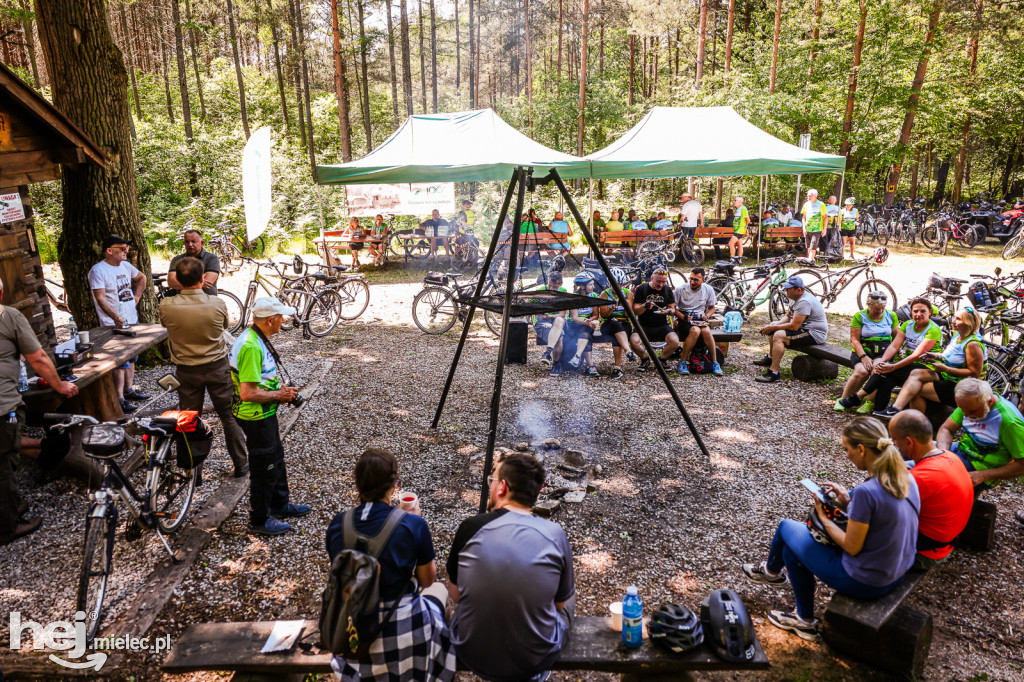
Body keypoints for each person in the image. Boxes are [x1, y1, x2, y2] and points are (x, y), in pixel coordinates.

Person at [741, 417, 919, 642]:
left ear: (862, 449)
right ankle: (803, 621)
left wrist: (824, 518)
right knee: (791, 551)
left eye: (847, 449)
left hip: (867, 581)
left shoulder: (867, 492)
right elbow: (881, 517)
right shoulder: (906, 477)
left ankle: (771, 572)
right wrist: (846, 501)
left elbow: (852, 546)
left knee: (786, 527)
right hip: (896, 572)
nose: (846, 456)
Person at [325, 448, 456, 682]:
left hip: (352, 626)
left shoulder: (337, 525)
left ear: (357, 484)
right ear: (394, 486)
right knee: (440, 590)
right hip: (404, 623)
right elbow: (426, 580)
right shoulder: (413, 524)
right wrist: (414, 520)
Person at [447, 454, 575, 682]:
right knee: (568, 597)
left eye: (492, 480)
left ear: (502, 487)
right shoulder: (555, 533)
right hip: (534, 661)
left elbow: (455, 596)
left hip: (474, 653)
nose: (492, 484)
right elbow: (559, 604)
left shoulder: (470, 528)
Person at [0, 279, 78, 545]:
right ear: (1, 292)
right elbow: (38, 358)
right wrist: (59, 384)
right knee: (4, 463)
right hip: (3, 406)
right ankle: (7, 526)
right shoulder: (7, 316)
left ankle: (11, 504)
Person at [159, 256, 248, 479]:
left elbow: (164, 324)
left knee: (188, 418)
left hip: (186, 369)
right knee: (229, 416)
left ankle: (193, 472)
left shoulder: (166, 305)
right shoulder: (217, 303)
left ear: (177, 279)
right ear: (202, 278)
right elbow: (225, 326)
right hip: (217, 366)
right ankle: (241, 464)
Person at [229, 297, 311, 535]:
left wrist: (279, 392)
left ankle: (279, 504)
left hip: (264, 412)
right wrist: (278, 395)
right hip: (254, 416)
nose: (284, 320)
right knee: (264, 465)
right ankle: (259, 519)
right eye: (281, 317)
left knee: (275, 457)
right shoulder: (252, 346)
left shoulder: (257, 338)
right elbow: (247, 393)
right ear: (270, 320)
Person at [889, 410, 974, 571]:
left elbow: (882, 516)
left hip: (925, 554)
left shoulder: (918, 479)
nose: (893, 444)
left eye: (894, 439)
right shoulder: (950, 457)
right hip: (945, 542)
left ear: (909, 442)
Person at [836, 297, 941, 414]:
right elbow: (894, 346)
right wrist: (884, 361)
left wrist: (892, 367)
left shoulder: (933, 329)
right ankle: (878, 411)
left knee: (888, 371)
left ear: (930, 312)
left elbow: (916, 355)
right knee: (886, 377)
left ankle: (858, 396)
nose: (918, 314)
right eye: (915, 311)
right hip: (909, 365)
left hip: (927, 368)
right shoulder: (907, 324)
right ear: (911, 312)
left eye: (923, 311)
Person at [875, 308, 986, 418]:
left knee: (917, 389)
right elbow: (954, 357)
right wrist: (936, 355)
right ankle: (896, 409)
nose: (953, 320)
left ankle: (914, 423)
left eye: (958, 319)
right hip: (947, 376)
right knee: (916, 373)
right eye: (954, 317)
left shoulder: (972, 344)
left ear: (968, 323)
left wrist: (946, 369)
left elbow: (974, 373)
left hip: (962, 385)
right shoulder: (958, 336)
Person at [88, 234, 149, 413]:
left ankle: (129, 390)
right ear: (109, 251)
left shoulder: (125, 265)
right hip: (112, 323)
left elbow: (142, 278)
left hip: (131, 318)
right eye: (122, 248)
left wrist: (136, 297)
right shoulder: (98, 271)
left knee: (132, 356)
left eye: (127, 248)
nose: (126, 251)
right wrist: (114, 317)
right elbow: (99, 298)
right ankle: (119, 398)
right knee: (120, 360)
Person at [937, 378, 1024, 495]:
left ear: (989, 402)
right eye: (963, 410)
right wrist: (943, 453)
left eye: (972, 411)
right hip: (959, 451)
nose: (966, 414)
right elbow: (946, 429)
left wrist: (982, 475)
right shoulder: (969, 402)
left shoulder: (1010, 422)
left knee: (929, 476)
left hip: (981, 467)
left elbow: (1021, 465)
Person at [753, 276, 828, 383]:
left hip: (814, 334)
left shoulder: (804, 301)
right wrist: (772, 326)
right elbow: (788, 316)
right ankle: (770, 358)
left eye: (788, 288)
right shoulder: (794, 298)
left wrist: (773, 328)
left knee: (779, 335)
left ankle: (774, 373)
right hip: (803, 329)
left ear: (798, 290)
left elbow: (794, 326)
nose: (786, 290)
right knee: (773, 326)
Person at [833, 291, 898, 410]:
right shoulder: (860, 316)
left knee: (878, 371)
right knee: (861, 372)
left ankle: (869, 402)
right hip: (863, 351)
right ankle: (843, 399)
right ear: (868, 305)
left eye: (882, 308)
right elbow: (855, 340)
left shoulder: (891, 315)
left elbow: (897, 337)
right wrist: (863, 356)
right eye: (877, 308)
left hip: (883, 351)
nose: (879, 311)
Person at [672, 267, 722, 376]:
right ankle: (682, 362)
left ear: (703, 280)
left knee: (707, 331)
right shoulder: (680, 290)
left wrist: (707, 316)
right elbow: (673, 308)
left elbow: (712, 307)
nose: (692, 282)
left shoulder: (708, 289)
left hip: (699, 316)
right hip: (684, 316)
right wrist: (683, 317)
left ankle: (715, 362)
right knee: (695, 331)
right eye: (691, 279)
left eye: (696, 280)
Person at [628, 267, 680, 371]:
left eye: (664, 282)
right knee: (633, 342)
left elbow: (673, 309)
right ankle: (645, 359)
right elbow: (635, 311)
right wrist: (644, 306)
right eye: (658, 281)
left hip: (661, 325)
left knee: (675, 341)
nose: (661, 284)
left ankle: (661, 360)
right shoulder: (642, 289)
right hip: (643, 325)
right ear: (652, 278)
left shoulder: (667, 289)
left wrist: (669, 311)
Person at [597, 271, 639, 379]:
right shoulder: (604, 294)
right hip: (608, 323)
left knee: (617, 335)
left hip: (623, 322)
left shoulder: (627, 293)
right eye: (613, 285)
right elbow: (603, 315)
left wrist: (624, 304)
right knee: (615, 325)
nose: (616, 288)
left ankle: (618, 368)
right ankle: (628, 351)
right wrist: (611, 307)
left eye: (619, 285)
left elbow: (628, 315)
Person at [564, 273, 602, 377]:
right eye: (590, 285)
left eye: (593, 284)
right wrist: (586, 322)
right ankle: (590, 366)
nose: (593, 287)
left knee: (586, 332)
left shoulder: (593, 296)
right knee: (586, 333)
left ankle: (577, 357)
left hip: (588, 324)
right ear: (582, 287)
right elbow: (575, 318)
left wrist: (590, 320)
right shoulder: (574, 298)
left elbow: (595, 315)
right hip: (574, 325)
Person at [167, 229, 221, 295]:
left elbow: (208, 283)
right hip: (183, 301)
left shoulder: (212, 259)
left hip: (207, 301)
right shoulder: (177, 259)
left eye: (194, 241)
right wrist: (199, 283)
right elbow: (171, 282)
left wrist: (181, 283)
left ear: (202, 243)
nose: (190, 244)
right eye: (187, 242)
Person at [537, 272, 569, 377]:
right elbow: (534, 311)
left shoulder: (563, 292)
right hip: (542, 321)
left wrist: (550, 316)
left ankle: (547, 353)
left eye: (554, 287)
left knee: (560, 320)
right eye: (550, 285)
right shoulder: (540, 291)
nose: (551, 288)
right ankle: (556, 364)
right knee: (559, 336)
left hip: (555, 320)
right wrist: (541, 314)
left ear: (561, 284)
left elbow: (562, 314)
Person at [801, 190, 826, 261]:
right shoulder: (806, 204)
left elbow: (825, 217)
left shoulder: (821, 204)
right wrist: (804, 228)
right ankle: (810, 260)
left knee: (813, 247)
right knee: (808, 247)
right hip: (808, 229)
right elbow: (804, 217)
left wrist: (824, 229)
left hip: (817, 229)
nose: (808, 197)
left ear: (815, 196)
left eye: (810, 196)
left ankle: (810, 260)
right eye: (808, 196)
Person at [728, 196, 749, 260]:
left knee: (731, 243)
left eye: (735, 200)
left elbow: (748, 220)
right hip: (737, 229)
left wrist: (744, 227)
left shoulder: (743, 209)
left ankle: (732, 259)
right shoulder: (739, 209)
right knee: (740, 245)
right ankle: (739, 260)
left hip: (739, 230)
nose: (734, 202)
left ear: (740, 202)